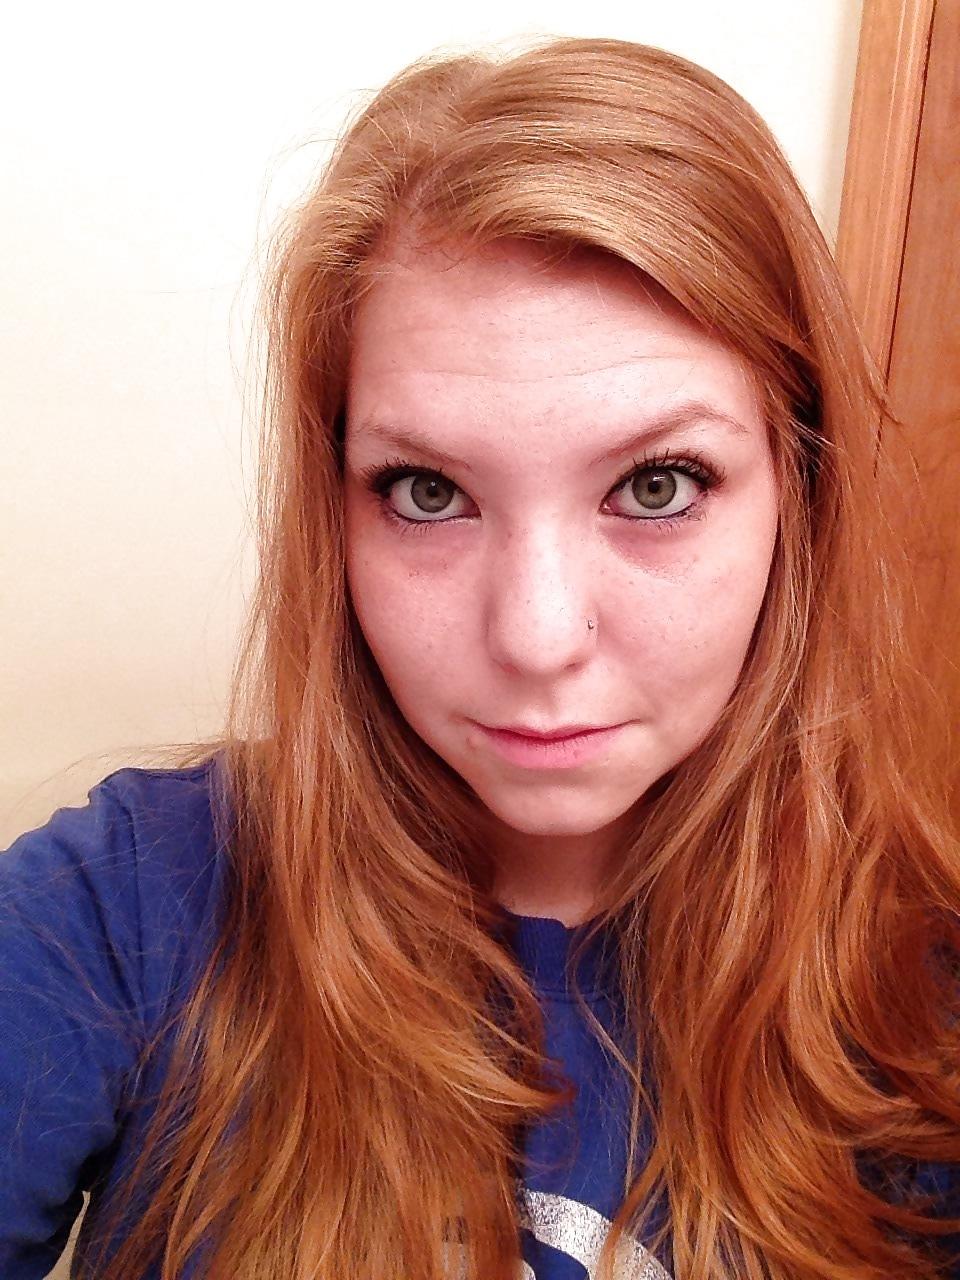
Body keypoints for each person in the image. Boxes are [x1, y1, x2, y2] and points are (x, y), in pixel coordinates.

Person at [2, 33, 959, 1280]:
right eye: (428, 491)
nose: (538, 635)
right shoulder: (118, 908)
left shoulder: (923, 1007)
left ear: (799, 490)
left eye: (657, 484)